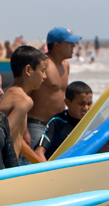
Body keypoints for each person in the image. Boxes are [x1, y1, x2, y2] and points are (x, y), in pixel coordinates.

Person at [26, 28, 81, 164]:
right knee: (34, 165)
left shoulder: (66, 66)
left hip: (58, 125)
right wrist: (24, 130)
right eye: (69, 43)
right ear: (57, 45)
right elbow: (25, 93)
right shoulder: (41, 64)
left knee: (57, 163)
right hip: (38, 125)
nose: (73, 46)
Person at [0, 45, 47, 164]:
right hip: (5, 167)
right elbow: (3, 135)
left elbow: (17, 139)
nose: (44, 76)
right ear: (28, 70)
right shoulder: (24, 100)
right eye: (42, 70)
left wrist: (40, 162)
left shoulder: (3, 94)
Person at [34, 81, 93, 161]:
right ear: (67, 103)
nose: (86, 108)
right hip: (58, 167)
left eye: (89, 103)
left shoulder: (93, 122)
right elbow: (39, 152)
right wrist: (50, 171)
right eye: (81, 103)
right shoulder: (57, 122)